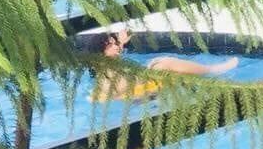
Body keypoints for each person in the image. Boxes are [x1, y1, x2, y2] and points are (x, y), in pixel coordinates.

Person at [89, 27, 239, 102]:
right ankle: (212, 70)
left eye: (115, 43)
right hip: (140, 98)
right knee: (162, 64)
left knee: (159, 65)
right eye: (110, 45)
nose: (116, 47)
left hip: (139, 93)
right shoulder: (107, 73)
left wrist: (121, 42)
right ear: (100, 53)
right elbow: (126, 87)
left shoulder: (108, 65)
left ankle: (208, 76)